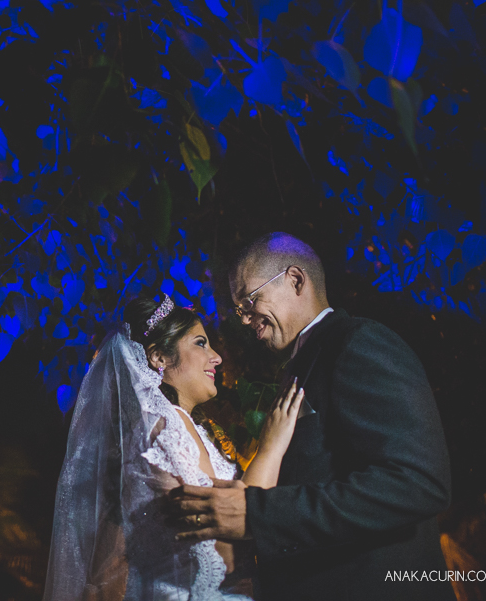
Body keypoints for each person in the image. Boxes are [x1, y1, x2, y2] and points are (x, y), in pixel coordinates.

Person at [165, 232, 454, 601]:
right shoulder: (300, 367)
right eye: (240, 310)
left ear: (296, 280)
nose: (246, 319)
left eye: (250, 301)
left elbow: (418, 482)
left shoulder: (357, 343)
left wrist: (259, 515)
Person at [43, 294, 304, 600]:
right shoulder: (165, 427)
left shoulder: (180, 427)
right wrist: (271, 446)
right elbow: (230, 532)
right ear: (159, 358)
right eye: (200, 343)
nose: (217, 357)